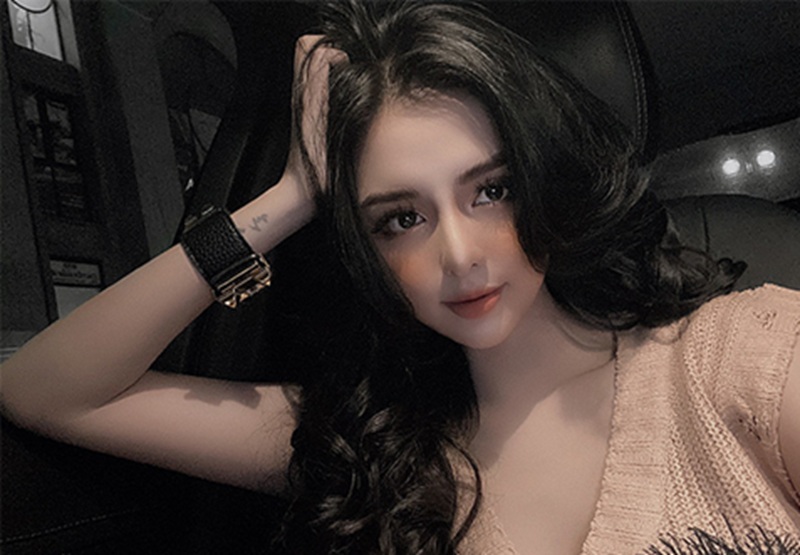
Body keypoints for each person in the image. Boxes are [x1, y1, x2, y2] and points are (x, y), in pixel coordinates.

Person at [2, 2, 799, 553]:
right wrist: (288, 199)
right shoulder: (375, 447)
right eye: (400, 218)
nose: (460, 254)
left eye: (491, 190)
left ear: (542, 178)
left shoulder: (742, 358)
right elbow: (48, 390)